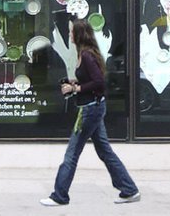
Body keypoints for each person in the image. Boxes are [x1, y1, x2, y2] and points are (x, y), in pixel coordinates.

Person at [41, 19, 141, 206]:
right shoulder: (84, 53)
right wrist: (75, 82)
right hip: (93, 106)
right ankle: (129, 189)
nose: (69, 35)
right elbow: (91, 80)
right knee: (104, 151)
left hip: (90, 109)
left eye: (72, 32)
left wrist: (75, 89)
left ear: (79, 35)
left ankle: (59, 195)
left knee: (72, 154)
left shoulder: (87, 55)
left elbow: (99, 82)